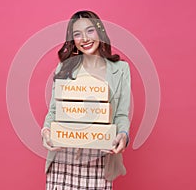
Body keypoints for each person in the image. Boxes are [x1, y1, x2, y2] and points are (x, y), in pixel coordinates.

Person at [41, 10, 131, 190]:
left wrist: (123, 135)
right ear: (72, 40)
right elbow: (53, 111)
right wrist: (46, 131)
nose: (85, 38)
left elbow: (121, 114)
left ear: (100, 32)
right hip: (64, 157)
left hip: (100, 157)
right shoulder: (65, 67)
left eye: (90, 31)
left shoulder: (121, 69)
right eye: (77, 34)